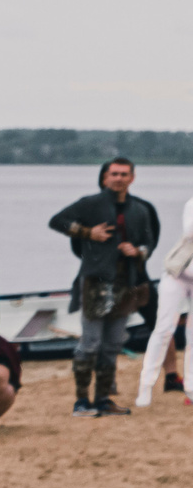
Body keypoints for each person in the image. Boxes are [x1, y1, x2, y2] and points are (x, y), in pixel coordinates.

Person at [49, 158, 161, 416]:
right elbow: (58, 221)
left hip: (127, 284)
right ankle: (80, 402)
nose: (119, 178)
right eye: (114, 174)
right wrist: (88, 233)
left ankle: (102, 400)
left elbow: (149, 241)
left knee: (112, 344)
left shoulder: (140, 209)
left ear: (132, 178)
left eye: (124, 174)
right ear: (105, 178)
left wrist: (138, 251)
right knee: (90, 343)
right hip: (96, 282)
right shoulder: (90, 204)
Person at [134, 194, 193, 410]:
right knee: (164, 329)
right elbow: (189, 230)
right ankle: (145, 386)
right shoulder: (192, 204)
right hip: (176, 273)